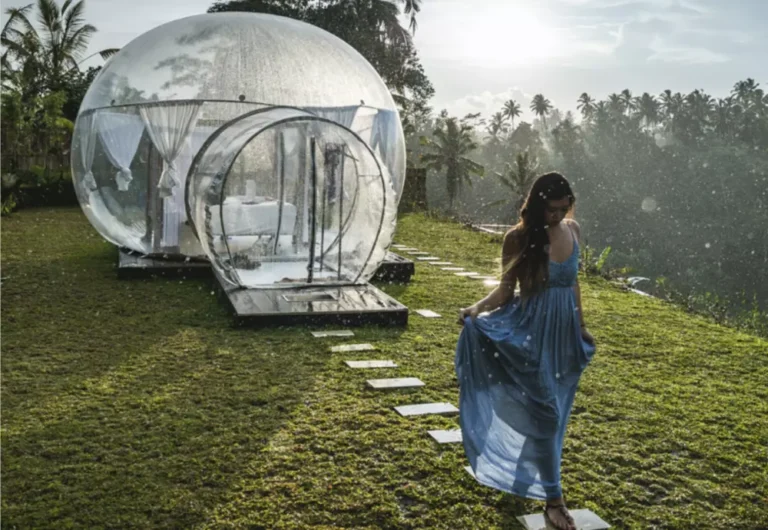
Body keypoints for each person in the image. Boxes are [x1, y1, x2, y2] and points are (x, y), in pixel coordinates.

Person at [455, 172, 596, 530]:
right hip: (531, 333)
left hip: (563, 335)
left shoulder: (573, 230)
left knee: (555, 409)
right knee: (547, 413)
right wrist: (475, 309)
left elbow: (573, 283)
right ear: (537, 205)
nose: (559, 216)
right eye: (552, 210)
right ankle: (554, 500)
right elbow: (505, 291)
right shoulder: (517, 239)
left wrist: (580, 327)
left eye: (564, 208)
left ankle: (525, 469)